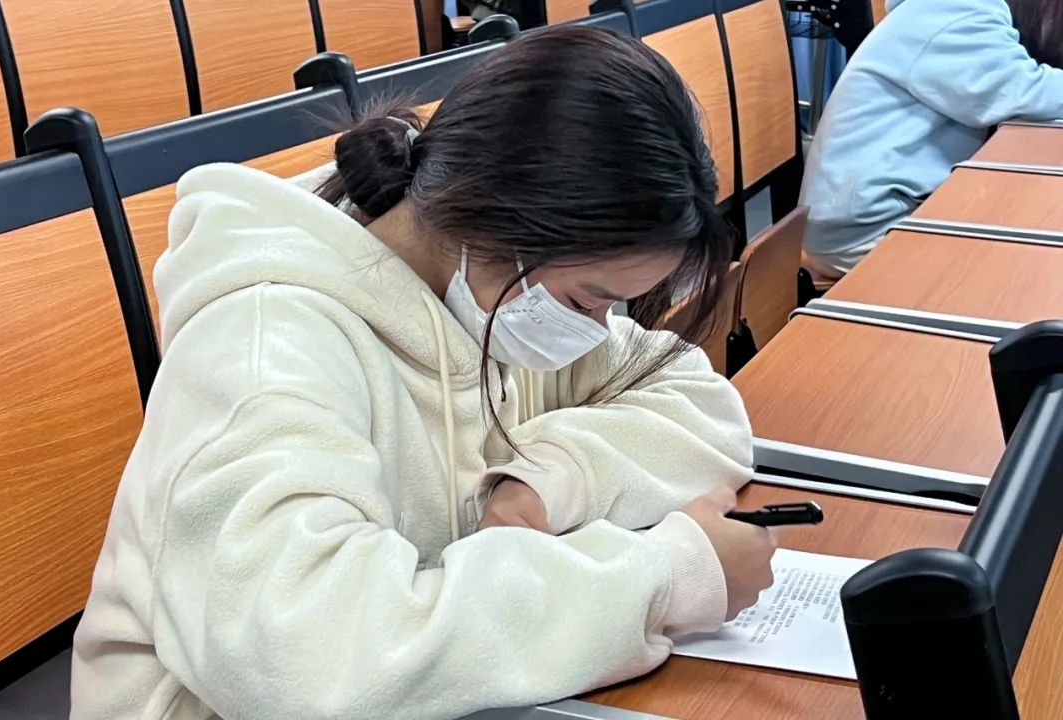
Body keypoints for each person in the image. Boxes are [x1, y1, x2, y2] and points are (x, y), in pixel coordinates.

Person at [71, 26, 777, 720]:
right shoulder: (266, 348)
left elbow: (698, 398)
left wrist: (548, 478)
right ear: (498, 221)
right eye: (586, 300)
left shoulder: (493, 294)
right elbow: (305, 659)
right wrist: (665, 578)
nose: (596, 329)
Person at [800, 0, 1063, 280]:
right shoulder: (953, 7)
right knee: (1033, 269)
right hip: (865, 229)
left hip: (889, 206)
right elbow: (1022, 91)